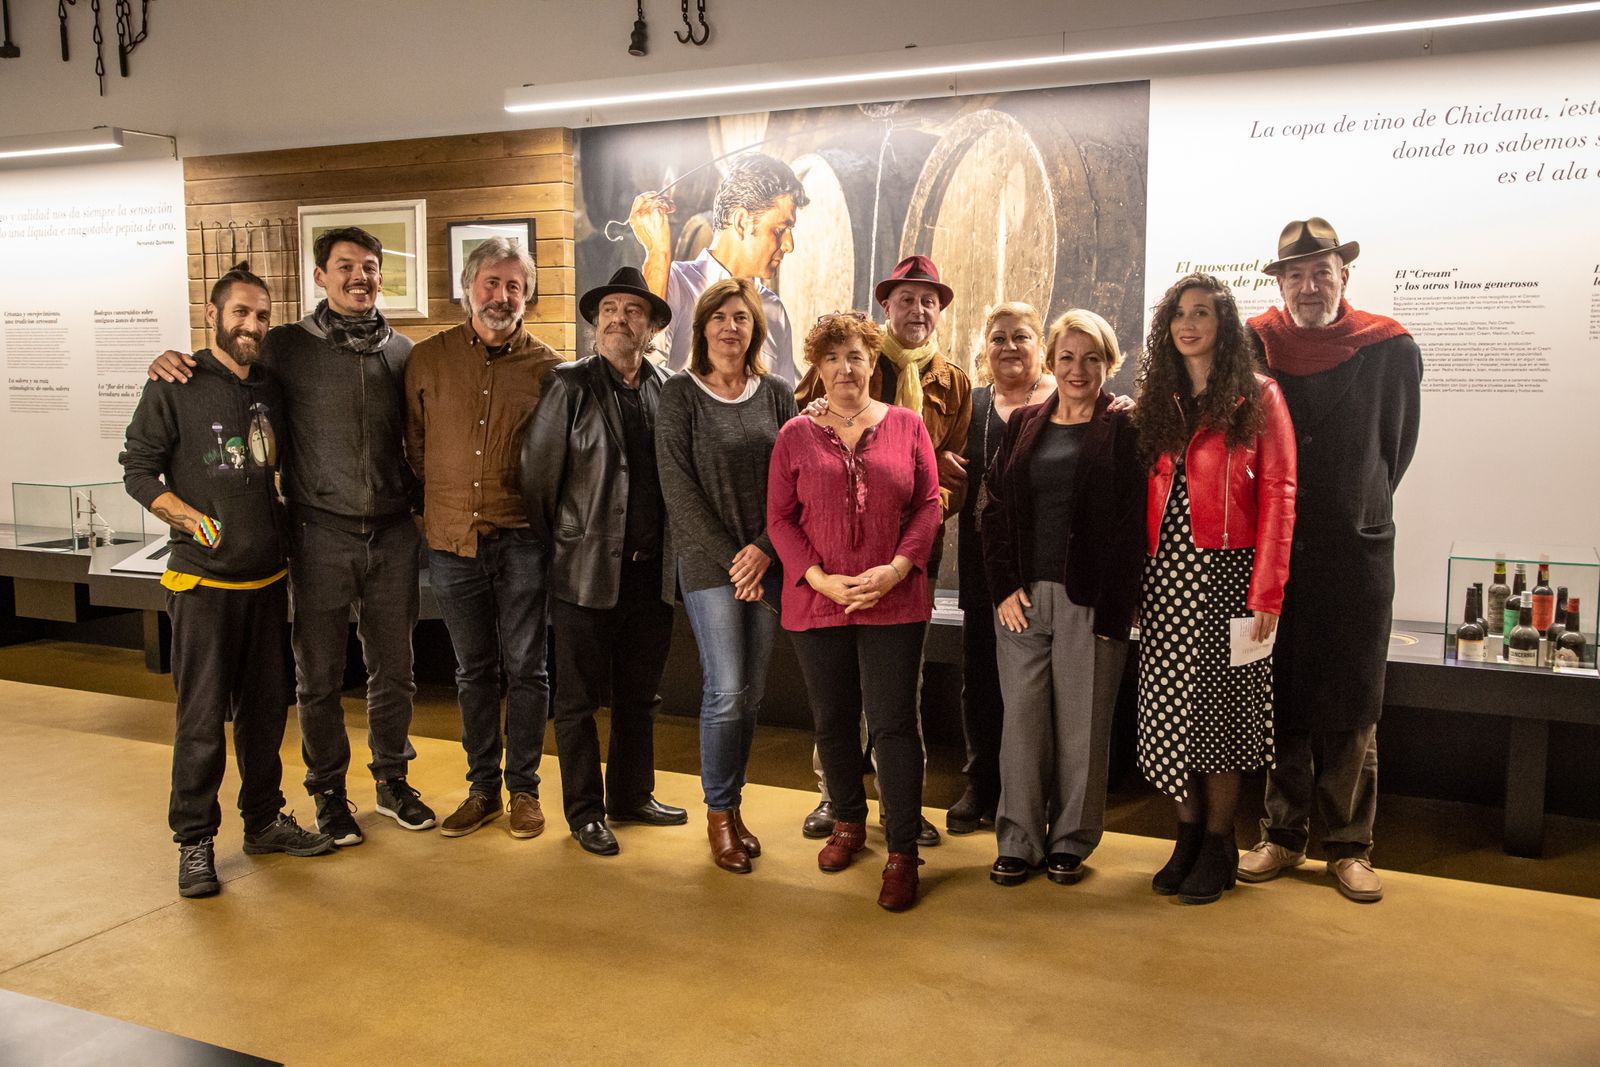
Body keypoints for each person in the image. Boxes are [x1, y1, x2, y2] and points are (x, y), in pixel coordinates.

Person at [148, 227, 434, 846]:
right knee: (319, 675)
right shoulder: (284, 346)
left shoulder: (403, 352)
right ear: (320, 277)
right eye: (345, 266)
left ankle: (392, 779)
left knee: (395, 670)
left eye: (370, 266)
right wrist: (173, 360)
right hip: (317, 533)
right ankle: (328, 792)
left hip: (391, 536)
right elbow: (228, 365)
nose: (359, 277)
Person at [122, 263, 335, 898]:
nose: (252, 324)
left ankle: (264, 821)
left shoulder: (270, 386)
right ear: (212, 315)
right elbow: (139, 471)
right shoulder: (175, 383)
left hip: (267, 583)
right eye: (240, 312)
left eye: (262, 315)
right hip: (203, 587)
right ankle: (194, 841)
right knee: (200, 721)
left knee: (265, 717)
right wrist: (192, 521)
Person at [1238, 218, 1422, 903]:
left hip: (1353, 551)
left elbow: (1396, 448)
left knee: (1351, 700)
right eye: (1296, 275)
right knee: (1279, 692)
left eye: (1322, 272)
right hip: (1274, 551)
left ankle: (1349, 846)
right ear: (1281, 283)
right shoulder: (1254, 345)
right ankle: (1283, 835)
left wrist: (1356, 503)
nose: (1309, 286)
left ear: (1344, 275)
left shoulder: (1390, 348)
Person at [767, 311, 942, 911]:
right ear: (817, 367)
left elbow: (928, 506)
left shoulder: (907, 425)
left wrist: (896, 569)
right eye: (833, 357)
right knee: (833, 720)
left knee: (893, 724)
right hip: (819, 601)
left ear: (873, 364)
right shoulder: (795, 434)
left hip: (895, 599)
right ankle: (846, 821)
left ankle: (902, 851)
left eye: (856, 357)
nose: (845, 368)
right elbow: (779, 519)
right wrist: (819, 578)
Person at [1131, 272, 1296, 906]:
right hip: (1167, 575)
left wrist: (1268, 592)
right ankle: (1188, 836)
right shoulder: (1161, 396)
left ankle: (1221, 843)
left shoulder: (1259, 394)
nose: (1188, 323)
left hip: (1231, 575)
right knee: (1172, 711)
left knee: (1219, 717)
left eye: (1201, 312)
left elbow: (1280, 493)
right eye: (1179, 313)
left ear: (1223, 324)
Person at [795, 255, 972, 846]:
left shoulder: (953, 382)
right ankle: (836, 797)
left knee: (898, 694)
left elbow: (957, 477)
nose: (918, 310)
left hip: (911, 554)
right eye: (906, 299)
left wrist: (921, 503)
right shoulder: (854, 357)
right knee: (837, 697)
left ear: (939, 310)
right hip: (837, 556)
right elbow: (804, 436)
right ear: (886, 306)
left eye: (929, 301)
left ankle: (901, 809)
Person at [519, 266, 686, 857]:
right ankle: (586, 812)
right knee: (577, 703)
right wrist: (570, 544)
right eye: (610, 310)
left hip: (650, 574)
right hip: (585, 573)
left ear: (652, 327)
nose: (619, 319)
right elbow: (537, 480)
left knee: (640, 697)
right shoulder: (568, 385)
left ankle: (633, 796)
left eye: (633, 311)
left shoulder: (668, 388)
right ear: (596, 322)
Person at [404, 237, 562, 841]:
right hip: (452, 543)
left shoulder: (551, 370)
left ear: (527, 296)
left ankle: (524, 790)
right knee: (472, 671)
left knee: (527, 669)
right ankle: (481, 791)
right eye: (491, 283)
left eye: (514, 286)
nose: (502, 295)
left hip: (523, 541)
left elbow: (557, 461)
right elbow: (414, 447)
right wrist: (438, 509)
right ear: (468, 287)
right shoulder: (428, 359)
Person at [980, 309, 1145, 886]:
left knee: (1083, 728)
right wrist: (1003, 586)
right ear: (1051, 361)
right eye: (1068, 357)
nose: (1078, 369)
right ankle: (1018, 840)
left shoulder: (1125, 428)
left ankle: (1071, 840)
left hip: (1090, 602)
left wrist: (1118, 606)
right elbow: (994, 509)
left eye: (1092, 358)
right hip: (1021, 602)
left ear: (1109, 364)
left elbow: (1135, 525)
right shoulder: (1025, 422)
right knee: (1022, 728)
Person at [656, 278, 799, 873]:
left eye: (741, 318)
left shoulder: (778, 394)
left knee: (753, 692)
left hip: (768, 562)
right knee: (726, 688)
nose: (730, 327)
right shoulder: (679, 395)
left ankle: (735, 808)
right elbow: (678, 490)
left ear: (755, 329)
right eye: (719, 317)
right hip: (708, 566)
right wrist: (736, 559)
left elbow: (796, 481)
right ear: (702, 328)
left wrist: (763, 549)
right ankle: (718, 814)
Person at [947, 302, 1057, 835]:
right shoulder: (970, 406)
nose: (1009, 347)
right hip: (982, 563)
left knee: (1041, 685)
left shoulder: (1064, 401)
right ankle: (982, 781)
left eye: (1021, 336)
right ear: (984, 348)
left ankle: (1035, 789)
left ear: (1041, 345)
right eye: (998, 338)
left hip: (1044, 563)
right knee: (982, 676)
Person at [629, 152, 809, 384]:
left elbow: (783, 401)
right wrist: (658, 254)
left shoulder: (774, 309)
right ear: (742, 222)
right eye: (780, 230)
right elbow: (641, 372)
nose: (789, 245)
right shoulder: (674, 283)